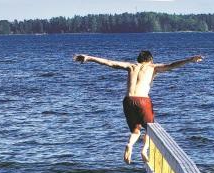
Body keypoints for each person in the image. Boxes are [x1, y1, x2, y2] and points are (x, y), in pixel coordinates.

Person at [74, 50, 203, 164]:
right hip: (143, 101)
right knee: (151, 129)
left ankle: (129, 144)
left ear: (139, 60)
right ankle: (144, 150)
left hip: (128, 100)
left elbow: (109, 62)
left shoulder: (131, 66)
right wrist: (190, 60)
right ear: (150, 60)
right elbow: (171, 65)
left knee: (135, 130)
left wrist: (89, 57)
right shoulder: (153, 67)